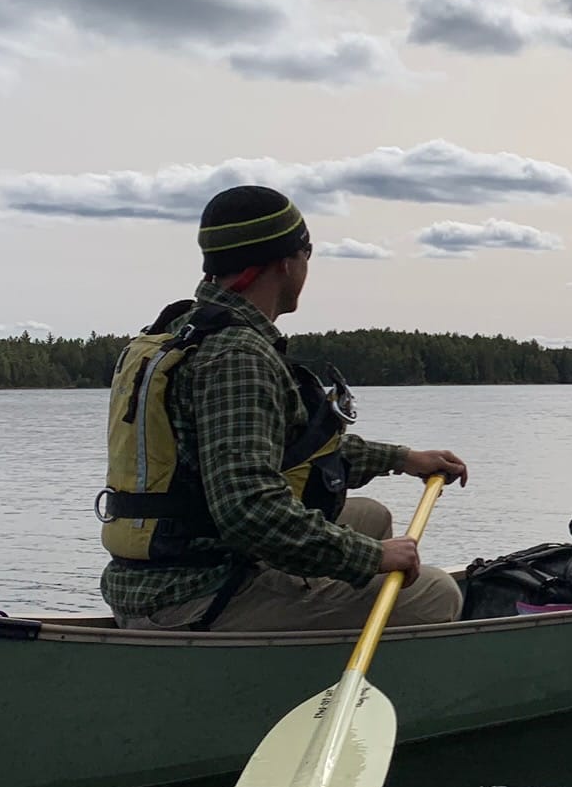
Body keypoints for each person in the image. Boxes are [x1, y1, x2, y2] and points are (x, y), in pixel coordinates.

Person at [97, 184, 468, 631]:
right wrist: (371, 557)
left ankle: (327, 639)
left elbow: (292, 452)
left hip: (162, 570)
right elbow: (249, 512)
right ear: (287, 261)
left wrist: (402, 459)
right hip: (196, 595)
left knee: (371, 516)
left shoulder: (182, 331)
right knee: (435, 594)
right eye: (308, 252)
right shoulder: (237, 356)